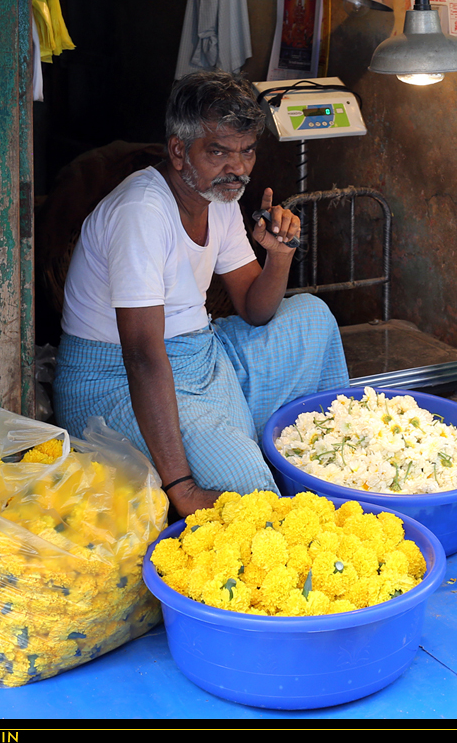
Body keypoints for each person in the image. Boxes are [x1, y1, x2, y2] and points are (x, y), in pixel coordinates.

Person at [52, 71, 349, 517]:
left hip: (200, 355)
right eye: (219, 152)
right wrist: (182, 486)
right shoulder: (142, 213)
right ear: (178, 150)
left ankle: (315, 466)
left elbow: (255, 310)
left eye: (247, 151)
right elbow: (143, 357)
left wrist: (279, 256)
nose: (239, 168)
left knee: (312, 317)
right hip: (114, 381)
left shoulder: (219, 197)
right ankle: (231, 457)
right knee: (249, 497)